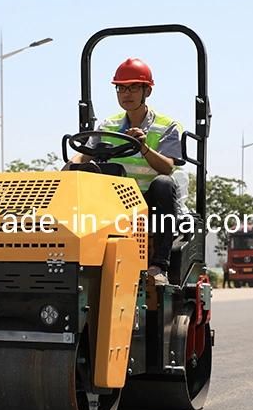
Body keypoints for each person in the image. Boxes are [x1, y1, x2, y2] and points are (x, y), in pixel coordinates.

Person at [70, 58, 185, 285]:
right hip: (114, 199)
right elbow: (85, 154)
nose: (126, 93)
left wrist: (144, 147)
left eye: (133, 87)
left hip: (149, 201)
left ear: (147, 91)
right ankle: (80, 261)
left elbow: (167, 166)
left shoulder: (167, 126)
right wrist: (68, 168)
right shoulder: (108, 125)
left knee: (163, 183)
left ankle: (158, 266)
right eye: (121, 87)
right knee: (85, 178)